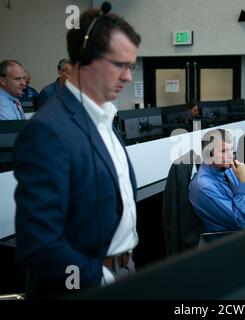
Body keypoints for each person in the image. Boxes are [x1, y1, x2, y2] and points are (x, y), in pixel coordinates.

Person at [14, 5, 141, 299]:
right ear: (85, 60)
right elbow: (38, 243)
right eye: (120, 65)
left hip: (124, 269)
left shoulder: (105, 118)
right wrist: (100, 277)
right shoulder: (48, 130)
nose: (128, 77)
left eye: (131, 66)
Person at [189, 129, 245, 234]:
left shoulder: (228, 169)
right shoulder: (204, 187)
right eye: (224, 151)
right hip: (231, 239)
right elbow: (238, 221)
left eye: (231, 150)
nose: (231, 156)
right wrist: (244, 183)